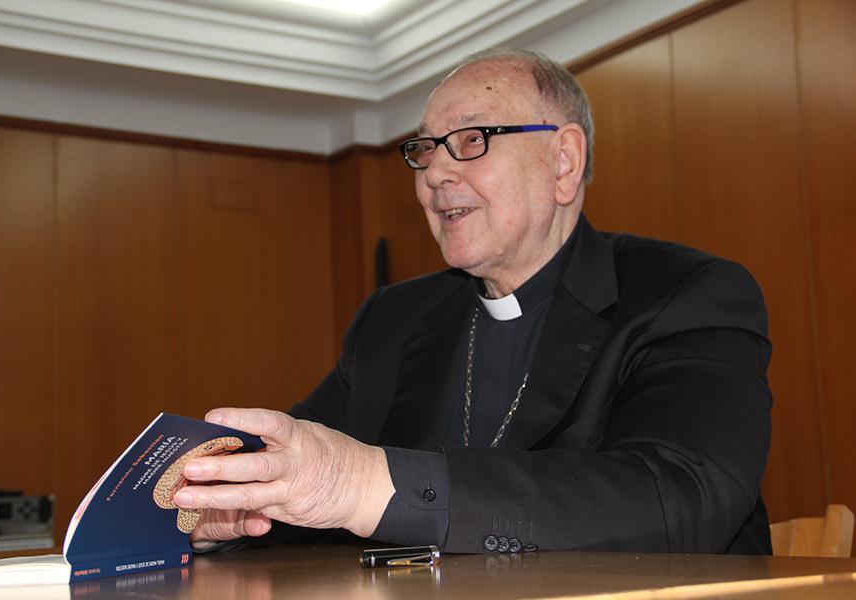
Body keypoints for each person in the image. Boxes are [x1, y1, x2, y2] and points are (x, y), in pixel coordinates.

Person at [173, 47, 773, 554]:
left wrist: (366, 481)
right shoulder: (393, 319)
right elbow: (305, 473)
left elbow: (682, 495)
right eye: (426, 149)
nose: (434, 172)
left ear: (563, 161)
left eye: (471, 139)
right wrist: (232, 513)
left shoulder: (687, 293)